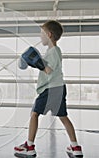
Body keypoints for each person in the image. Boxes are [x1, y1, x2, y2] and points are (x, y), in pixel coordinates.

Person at [14, 20, 83, 157]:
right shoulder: (52, 51)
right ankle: (75, 147)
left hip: (50, 89)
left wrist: (36, 63)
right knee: (63, 117)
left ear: (49, 34)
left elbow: (48, 70)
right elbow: (47, 66)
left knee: (34, 114)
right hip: (58, 88)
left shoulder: (54, 51)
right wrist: (36, 61)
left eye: (41, 34)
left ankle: (29, 145)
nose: (40, 37)